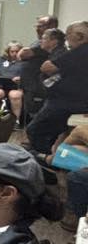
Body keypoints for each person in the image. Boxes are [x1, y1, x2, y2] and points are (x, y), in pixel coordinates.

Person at [26, 21, 88, 153]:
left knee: (35, 130)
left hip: (66, 102)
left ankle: (45, 163)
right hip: (74, 102)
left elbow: (47, 67)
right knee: (58, 135)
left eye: (68, 34)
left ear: (80, 36)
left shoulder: (80, 51)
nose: (65, 38)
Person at [20, 27, 67, 121]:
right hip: (38, 91)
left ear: (54, 41)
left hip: (48, 95)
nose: (41, 41)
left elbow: (48, 70)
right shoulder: (50, 53)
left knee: (37, 126)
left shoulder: (60, 53)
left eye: (45, 38)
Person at [17, 15, 59, 119]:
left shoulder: (48, 43)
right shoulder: (38, 42)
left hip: (38, 88)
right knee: (32, 117)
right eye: (36, 25)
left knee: (38, 120)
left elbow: (22, 55)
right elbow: (21, 55)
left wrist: (23, 50)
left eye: (40, 26)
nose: (37, 28)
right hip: (29, 87)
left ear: (52, 26)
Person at [0, 41, 24, 120]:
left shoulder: (24, 61)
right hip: (1, 85)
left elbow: (29, 75)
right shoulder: (1, 60)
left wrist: (20, 78)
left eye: (17, 51)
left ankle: (15, 120)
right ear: (8, 51)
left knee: (14, 96)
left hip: (17, 85)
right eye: (12, 51)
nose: (14, 53)